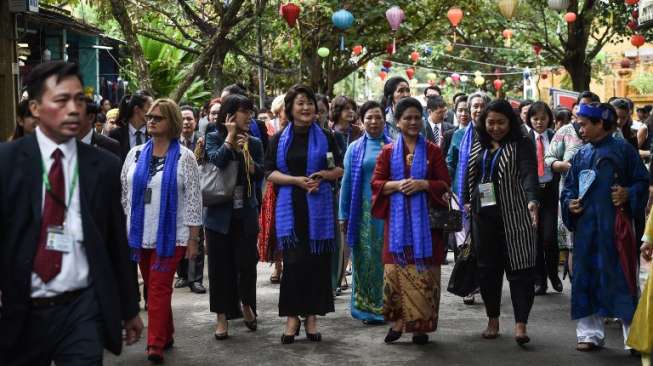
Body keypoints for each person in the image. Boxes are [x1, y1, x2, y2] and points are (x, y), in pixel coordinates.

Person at [0, 61, 143, 365]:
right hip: (21, 310)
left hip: (81, 310)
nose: (74, 109)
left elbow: (116, 241)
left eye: (79, 99)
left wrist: (130, 308)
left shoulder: (103, 167)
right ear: (36, 108)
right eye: (62, 100)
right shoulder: (7, 162)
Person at [561, 102, 648, 352]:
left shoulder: (624, 150)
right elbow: (568, 188)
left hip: (616, 229)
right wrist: (570, 204)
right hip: (587, 229)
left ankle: (633, 338)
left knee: (622, 278)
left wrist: (628, 193)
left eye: (585, 124)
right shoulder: (581, 154)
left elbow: (643, 182)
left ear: (601, 124)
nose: (580, 128)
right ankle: (589, 334)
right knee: (585, 276)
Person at [121, 98, 202, 363]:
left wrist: (193, 238)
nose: (151, 120)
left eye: (158, 117)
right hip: (140, 235)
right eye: (150, 116)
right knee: (155, 289)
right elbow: (125, 193)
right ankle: (166, 333)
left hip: (172, 236)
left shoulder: (184, 157)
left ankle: (154, 344)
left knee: (157, 288)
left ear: (172, 123)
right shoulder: (134, 155)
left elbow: (193, 199)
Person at [265, 84, 343, 344]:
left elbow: (338, 170)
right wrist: (296, 180)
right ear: (290, 108)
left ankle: (311, 317)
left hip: (319, 208)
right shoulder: (278, 139)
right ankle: (291, 317)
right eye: (300, 103)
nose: (306, 107)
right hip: (292, 207)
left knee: (317, 265)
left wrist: (323, 175)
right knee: (294, 264)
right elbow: (270, 172)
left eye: (309, 102)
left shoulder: (327, 137)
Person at [370, 97, 450, 345]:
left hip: (426, 227)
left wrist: (424, 184)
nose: (413, 122)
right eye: (407, 118)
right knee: (394, 274)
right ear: (398, 121)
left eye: (417, 117)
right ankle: (397, 322)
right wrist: (397, 185)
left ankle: (419, 327)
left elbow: (445, 183)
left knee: (424, 275)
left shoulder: (434, 151)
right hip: (397, 227)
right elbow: (376, 183)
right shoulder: (387, 151)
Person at [464, 99, 539, 345]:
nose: (495, 127)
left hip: (516, 216)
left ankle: (521, 325)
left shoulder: (522, 144)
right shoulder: (479, 143)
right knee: (487, 271)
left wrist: (532, 201)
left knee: (521, 270)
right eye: (491, 122)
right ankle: (492, 320)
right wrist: (466, 200)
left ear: (511, 122)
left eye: (501, 122)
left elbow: (529, 173)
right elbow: (470, 175)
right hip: (483, 218)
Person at [203, 94, 264, 340]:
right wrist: (229, 139)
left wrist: (253, 168)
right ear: (229, 115)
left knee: (247, 264)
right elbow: (216, 161)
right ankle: (221, 316)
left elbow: (263, 170)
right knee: (219, 268)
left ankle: (247, 305)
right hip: (219, 213)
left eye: (250, 112)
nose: (249, 116)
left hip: (246, 211)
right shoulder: (213, 136)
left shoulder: (255, 142)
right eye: (244, 111)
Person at [339, 101, 391, 324]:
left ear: (384, 119)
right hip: (361, 214)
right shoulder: (354, 148)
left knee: (385, 260)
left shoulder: (394, 146)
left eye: (378, 117)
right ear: (361, 120)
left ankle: (386, 307)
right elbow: (347, 182)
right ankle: (365, 309)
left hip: (387, 213)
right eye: (369, 117)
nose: (374, 121)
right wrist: (343, 213)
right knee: (364, 259)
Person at [447, 92, 490, 305]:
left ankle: (483, 281)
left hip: (486, 194)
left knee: (483, 240)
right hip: (459, 194)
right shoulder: (458, 135)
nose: (477, 110)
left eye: (482, 106)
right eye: (474, 106)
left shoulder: (493, 134)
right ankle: (467, 285)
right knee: (463, 243)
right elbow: (450, 163)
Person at [525, 102, 562, 295]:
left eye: (543, 118)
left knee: (549, 237)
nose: (539, 122)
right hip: (531, 193)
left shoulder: (556, 137)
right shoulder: (524, 139)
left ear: (549, 119)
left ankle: (553, 274)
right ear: (530, 120)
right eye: (535, 118)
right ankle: (540, 280)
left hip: (551, 191)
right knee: (535, 237)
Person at [174, 105, 206, 294]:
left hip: (198, 194)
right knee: (179, 235)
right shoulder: (172, 143)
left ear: (196, 121)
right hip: (177, 196)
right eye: (183, 118)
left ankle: (196, 279)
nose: (186, 122)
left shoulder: (202, 141)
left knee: (197, 236)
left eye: (189, 119)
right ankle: (183, 275)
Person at [110, 91, 154, 161]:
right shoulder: (116, 135)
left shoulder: (154, 133)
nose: (153, 112)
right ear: (137, 109)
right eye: (150, 107)